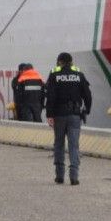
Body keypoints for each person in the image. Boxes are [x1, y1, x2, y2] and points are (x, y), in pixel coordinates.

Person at [44, 51, 93, 186]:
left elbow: (50, 96)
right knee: (74, 145)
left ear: (59, 62)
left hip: (59, 115)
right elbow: (87, 95)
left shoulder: (54, 74)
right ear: (71, 62)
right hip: (75, 115)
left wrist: (49, 114)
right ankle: (74, 176)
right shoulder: (79, 74)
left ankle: (59, 175)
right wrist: (86, 110)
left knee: (59, 143)